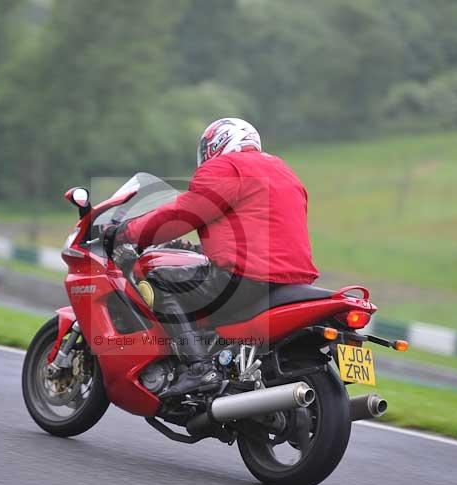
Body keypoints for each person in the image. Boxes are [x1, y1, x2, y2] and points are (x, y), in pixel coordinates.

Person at [108, 118, 319, 397]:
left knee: (158, 280)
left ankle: (198, 368)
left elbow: (183, 214)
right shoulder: (283, 170)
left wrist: (127, 233)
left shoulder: (226, 167)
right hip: (294, 280)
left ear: (218, 143)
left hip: (247, 276)